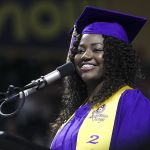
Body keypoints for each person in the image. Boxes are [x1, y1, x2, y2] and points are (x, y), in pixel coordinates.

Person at [50, 6, 149, 150]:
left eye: (97, 49)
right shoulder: (74, 114)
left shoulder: (131, 102)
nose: (86, 56)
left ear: (116, 56)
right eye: (80, 50)